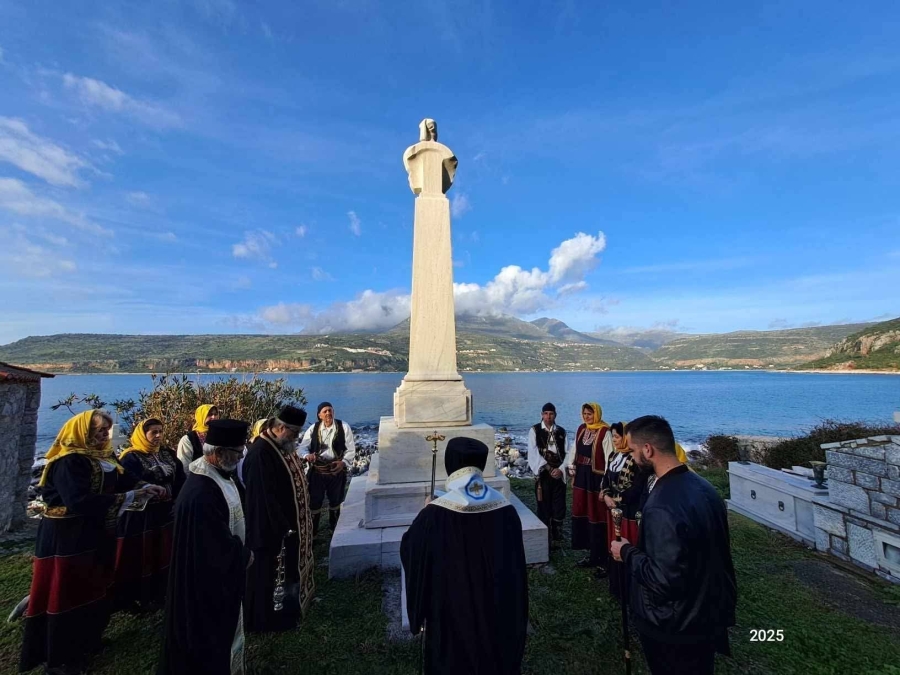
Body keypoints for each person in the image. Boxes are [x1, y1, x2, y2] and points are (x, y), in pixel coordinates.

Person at [20, 410, 166, 675]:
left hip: (95, 531)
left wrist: (145, 485)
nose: (102, 436)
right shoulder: (68, 462)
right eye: (97, 431)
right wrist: (125, 498)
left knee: (95, 585)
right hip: (67, 537)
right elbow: (77, 501)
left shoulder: (104, 458)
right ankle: (60, 658)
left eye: (105, 431)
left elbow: (123, 478)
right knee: (67, 590)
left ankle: (88, 640)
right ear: (82, 432)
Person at [611, 415, 737, 675]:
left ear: (648, 450)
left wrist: (625, 552)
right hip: (707, 613)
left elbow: (663, 580)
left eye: (633, 451)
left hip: (674, 625)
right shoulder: (705, 488)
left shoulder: (661, 505)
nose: (632, 458)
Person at [401, 438, 528, 675]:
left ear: (450, 464)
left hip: (451, 621)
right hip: (498, 621)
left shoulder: (433, 517)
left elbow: (411, 550)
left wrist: (426, 511)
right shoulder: (508, 512)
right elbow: (517, 576)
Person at [158, 419, 252, 675]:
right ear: (219, 453)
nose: (240, 457)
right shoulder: (202, 491)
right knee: (211, 642)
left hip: (215, 577)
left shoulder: (217, 476)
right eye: (237, 452)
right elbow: (214, 546)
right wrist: (245, 555)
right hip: (205, 584)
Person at [243, 406, 316, 633]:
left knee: (286, 573)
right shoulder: (261, 453)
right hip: (270, 532)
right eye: (294, 434)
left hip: (287, 527)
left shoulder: (281, 446)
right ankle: (270, 621)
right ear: (281, 428)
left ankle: (290, 609)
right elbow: (263, 498)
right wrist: (283, 527)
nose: (296, 438)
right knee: (269, 578)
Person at [114, 418, 187, 610]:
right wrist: (149, 483)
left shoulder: (167, 453)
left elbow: (180, 477)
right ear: (142, 434)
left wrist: (178, 499)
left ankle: (163, 591)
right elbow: (128, 481)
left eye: (160, 431)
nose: (158, 436)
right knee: (144, 554)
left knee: (164, 551)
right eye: (153, 432)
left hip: (167, 511)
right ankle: (140, 596)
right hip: (142, 516)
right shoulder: (131, 457)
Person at [600, 421, 649, 599]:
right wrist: (606, 496)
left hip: (628, 511)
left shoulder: (636, 460)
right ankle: (616, 585)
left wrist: (616, 499)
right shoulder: (613, 456)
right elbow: (606, 478)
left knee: (627, 543)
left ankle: (630, 589)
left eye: (617, 436)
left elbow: (637, 487)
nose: (614, 440)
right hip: (612, 509)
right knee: (613, 543)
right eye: (612, 436)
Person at [568, 402, 614, 577]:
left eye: (590, 413)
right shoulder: (581, 429)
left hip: (596, 479)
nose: (587, 417)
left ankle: (603, 557)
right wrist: (571, 466)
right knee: (584, 513)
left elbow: (610, 458)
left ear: (597, 414)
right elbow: (574, 449)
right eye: (585, 413)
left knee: (598, 516)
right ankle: (591, 554)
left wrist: (606, 484)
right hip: (582, 477)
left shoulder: (605, 432)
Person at [298, 402, 356, 536]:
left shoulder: (343, 427)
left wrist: (343, 463)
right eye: (325, 411)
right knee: (315, 501)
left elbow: (351, 449)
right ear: (319, 415)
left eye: (330, 410)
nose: (328, 413)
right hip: (318, 471)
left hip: (336, 470)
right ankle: (313, 532)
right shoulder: (313, 428)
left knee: (336, 500)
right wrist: (308, 455)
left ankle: (335, 529)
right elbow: (302, 447)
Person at [527, 402, 567, 544]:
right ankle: (545, 536)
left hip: (559, 473)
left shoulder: (561, 431)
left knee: (559, 504)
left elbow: (567, 454)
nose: (548, 417)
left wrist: (561, 470)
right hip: (543, 473)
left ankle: (557, 536)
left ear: (555, 415)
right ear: (541, 415)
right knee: (543, 504)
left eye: (551, 414)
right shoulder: (535, 430)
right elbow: (533, 453)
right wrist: (548, 468)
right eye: (545, 414)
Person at [176, 404, 219, 473]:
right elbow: (184, 467)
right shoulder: (188, 440)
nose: (213, 417)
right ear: (201, 417)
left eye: (215, 414)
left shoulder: (219, 436)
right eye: (209, 414)